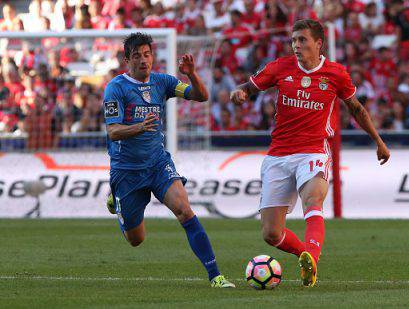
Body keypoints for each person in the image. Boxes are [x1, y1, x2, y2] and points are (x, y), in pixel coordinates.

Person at [230, 19, 390, 287]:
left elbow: (357, 109)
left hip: (313, 150)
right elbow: (248, 88)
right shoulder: (280, 67)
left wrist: (378, 141)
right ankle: (304, 253)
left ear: (318, 43)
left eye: (302, 40)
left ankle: (312, 260)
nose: (296, 45)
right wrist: (240, 93)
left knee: (313, 200)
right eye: (293, 40)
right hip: (279, 154)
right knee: (271, 233)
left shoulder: (336, 73)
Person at [103, 32, 234, 288]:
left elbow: (201, 96)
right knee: (136, 239)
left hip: (157, 164)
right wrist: (139, 127)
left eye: (147, 54)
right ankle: (118, 202)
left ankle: (215, 276)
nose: (144, 60)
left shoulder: (162, 82)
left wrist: (192, 74)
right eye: (137, 56)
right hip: (127, 170)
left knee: (184, 210)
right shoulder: (116, 87)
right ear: (127, 60)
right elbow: (113, 131)